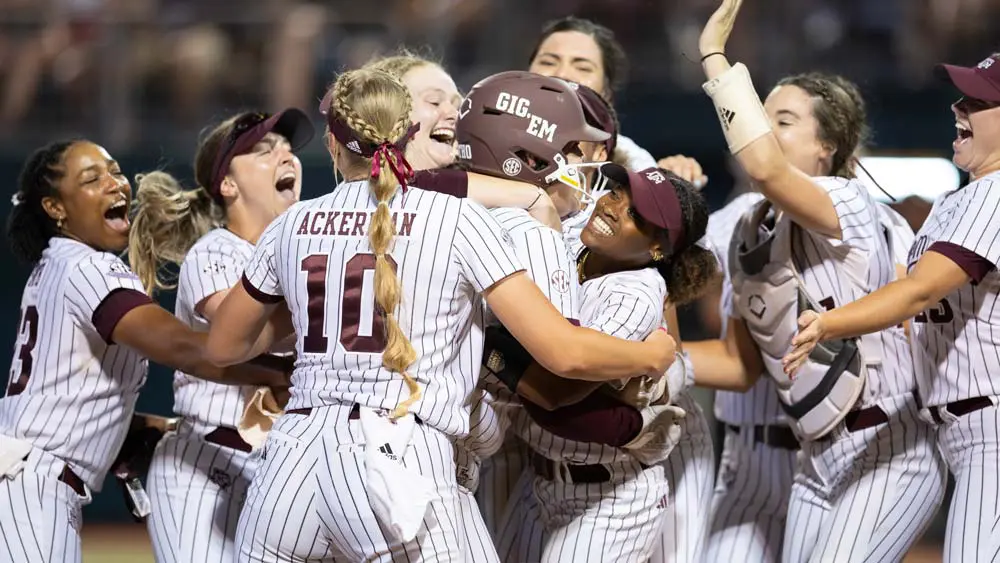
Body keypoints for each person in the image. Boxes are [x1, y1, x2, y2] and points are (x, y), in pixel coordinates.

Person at [203, 68, 676, 561]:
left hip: (288, 467)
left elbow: (222, 346)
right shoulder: (458, 219)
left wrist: (312, 314)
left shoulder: (294, 223)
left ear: (332, 144)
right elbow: (563, 354)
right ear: (409, 133)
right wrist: (647, 355)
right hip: (396, 459)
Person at [693, 1, 946, 561]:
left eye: (781, 121)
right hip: (815, 455)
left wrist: (715, 59)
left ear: (825, 148)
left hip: (890, 444)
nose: (762, 128)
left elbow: (764, 167)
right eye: (762, 116)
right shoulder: (747, 223)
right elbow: (678, 261)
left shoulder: (849, 201)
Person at [0, 139, 289, 563]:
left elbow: (59, 397)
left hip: (26, 477)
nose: (115, 184)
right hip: (30, 487)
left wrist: (140, 429)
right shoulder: (88, 267)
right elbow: (188, 348)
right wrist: (279, 371)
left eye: (115, 172)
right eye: (92, 179)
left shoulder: (55, 266)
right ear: (55, 208)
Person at [784, 50, 1000, 563]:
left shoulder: (995, 194)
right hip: (963, 432)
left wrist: (832, 322)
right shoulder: (960, 199)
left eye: (977, 101)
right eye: (961, 96)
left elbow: (920, 291)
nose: (957, 107)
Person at [527, 20, 716, 562]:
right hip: (536, 465)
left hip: (623, 461)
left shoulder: (624, 166)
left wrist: (652, 362)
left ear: (606, 94)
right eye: (549, 60)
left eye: (582, 66)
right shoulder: (572, 192)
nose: (563, 75)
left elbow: (558, 387)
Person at [490, 164, 715, 562]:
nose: (613, 207)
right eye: (617, 192)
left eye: (636, 215)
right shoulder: (578, 234)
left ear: (657, 248)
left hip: (611, 497)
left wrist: (488, 349)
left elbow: (558, 392)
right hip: (539, 478)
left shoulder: (635, 293)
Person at [126, 108, 314, 563]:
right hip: (205, 464)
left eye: (289, 148)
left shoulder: (309, 250)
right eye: (264, 152)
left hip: (278, 466)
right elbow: (240, 329)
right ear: (227, 185)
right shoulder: (216, 251)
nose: (286, 155)